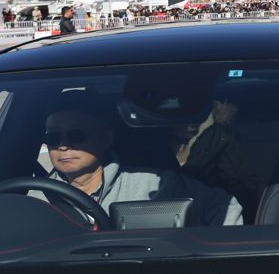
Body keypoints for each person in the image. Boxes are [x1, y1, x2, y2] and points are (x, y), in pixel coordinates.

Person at [32, 90, 243, 227]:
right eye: (52, 137)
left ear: (105, 138)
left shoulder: (153, 184)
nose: (63, 145)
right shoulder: (31, 199)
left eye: (76, 135)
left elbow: (223, 205)